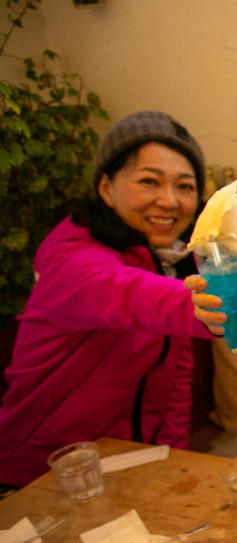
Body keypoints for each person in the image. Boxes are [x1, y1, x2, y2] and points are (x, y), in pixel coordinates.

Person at [0, 111, 215, 488]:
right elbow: (120, 291)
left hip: (130, 471)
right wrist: (205, 305)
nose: (169, 201)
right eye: (149, 181)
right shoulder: (69, 253)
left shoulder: (171, 260)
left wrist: (175, 463)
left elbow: (176, 382)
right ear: (105, 188)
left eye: (184, 187)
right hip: (40, 475)